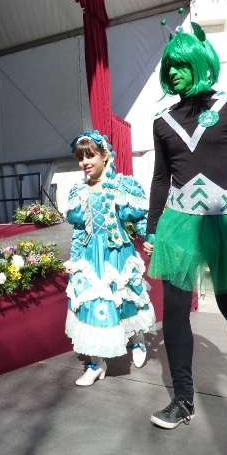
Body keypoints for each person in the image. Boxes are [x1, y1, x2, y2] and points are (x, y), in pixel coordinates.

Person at [143, 23, 227, 429]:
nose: (174, 72)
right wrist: (152, 226)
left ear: (201, 63)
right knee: (175, 310)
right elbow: (160, 178)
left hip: (225, 222)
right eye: (170, 66)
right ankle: (183, 399)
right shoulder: (163, 120)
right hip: (178, 224)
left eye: (182, 64)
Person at [64, 130, 155, 386]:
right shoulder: (79, 191)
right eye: (81, 158)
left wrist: (149, 238)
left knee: (127, 299)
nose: (85, 162)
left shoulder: (123, 186)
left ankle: (137, 339)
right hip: (90, 258)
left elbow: (140, 218)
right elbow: (79, 230)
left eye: (90, 156)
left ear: (105, 155)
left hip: (118, 254)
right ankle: (96, 363)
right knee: (91, 306)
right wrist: (74, 259)